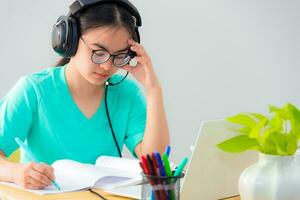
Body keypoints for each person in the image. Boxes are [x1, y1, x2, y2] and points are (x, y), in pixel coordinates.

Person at [0, 0, 169, 190]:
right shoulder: (33, 90)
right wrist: (16, 173)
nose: (107, 66)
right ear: (69, 41)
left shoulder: (126, 93)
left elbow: (155, 163)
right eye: (98, 52)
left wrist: (153, 89)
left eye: (119, 56)